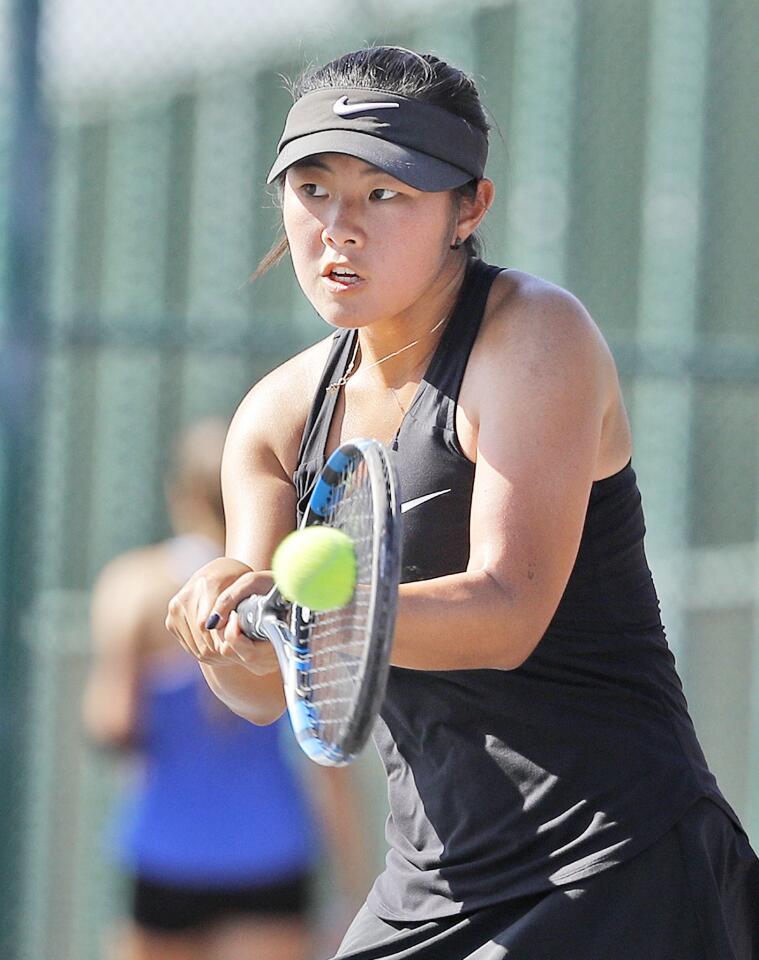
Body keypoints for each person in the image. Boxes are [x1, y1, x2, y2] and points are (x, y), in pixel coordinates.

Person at [164, 47, 759, 959]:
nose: (339, 227)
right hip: (429, 880)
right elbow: (260, 698)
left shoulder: (533, 337)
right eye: (313, 189)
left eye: (385, 193)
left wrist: (306, 614)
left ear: (467, 209)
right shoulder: (276, 418)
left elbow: (506, 609)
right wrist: (228, 626)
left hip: (616, 857)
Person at [83, 417, 369, 960]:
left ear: (179, 494)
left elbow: (114, 722)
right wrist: (353, 889)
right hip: (271, 852)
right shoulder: (286, 595)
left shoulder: (132, 588)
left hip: (165, 851)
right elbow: (326, 760)